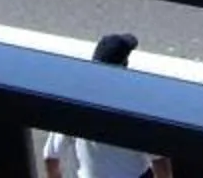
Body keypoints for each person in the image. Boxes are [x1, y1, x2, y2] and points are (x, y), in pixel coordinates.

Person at [39, 34, 172, 178]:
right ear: (124, 65)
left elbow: (51, 157)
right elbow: (160, 162)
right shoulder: (136, 104)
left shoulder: (76, 102)